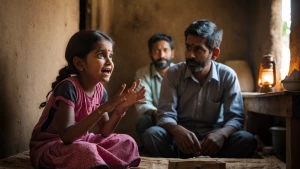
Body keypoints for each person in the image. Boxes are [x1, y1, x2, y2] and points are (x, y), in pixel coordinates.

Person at [29, 30, 146, 169]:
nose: (109, 62)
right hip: (52, 147)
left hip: (80, 141)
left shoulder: (100, 90)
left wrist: (120, 109)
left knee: (127, 141)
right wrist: (102, 109)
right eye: (101, 55)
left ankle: (97, 162)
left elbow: (105, 132)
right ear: (79, 63)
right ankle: (97, 161)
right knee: (86, 151)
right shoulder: (68, 87)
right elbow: (66, 137)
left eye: (111, 56)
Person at [143, 19, 257, 158]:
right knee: (152, 135)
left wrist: (221, 135)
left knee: (247, 140)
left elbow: (235, 118)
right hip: (179, 140)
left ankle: (206, 159)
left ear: (214, 53)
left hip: (214, 141)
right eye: (188, 47)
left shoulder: (227, 75)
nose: (190, 55)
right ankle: (186, 160)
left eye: (198, 49)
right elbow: (165, 114)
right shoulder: (173, 74)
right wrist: (177, 131)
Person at [134, 33, 175, 147]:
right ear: (150, 54)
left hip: (176, 117)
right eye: (156, 51)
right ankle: (149, 148)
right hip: (154, 116)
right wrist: (156, 113)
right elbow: (142, 103)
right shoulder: (143, 73)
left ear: (172, 53)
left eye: (165, 50)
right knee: (143, 120)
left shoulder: (180, 72)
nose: (161, 55)